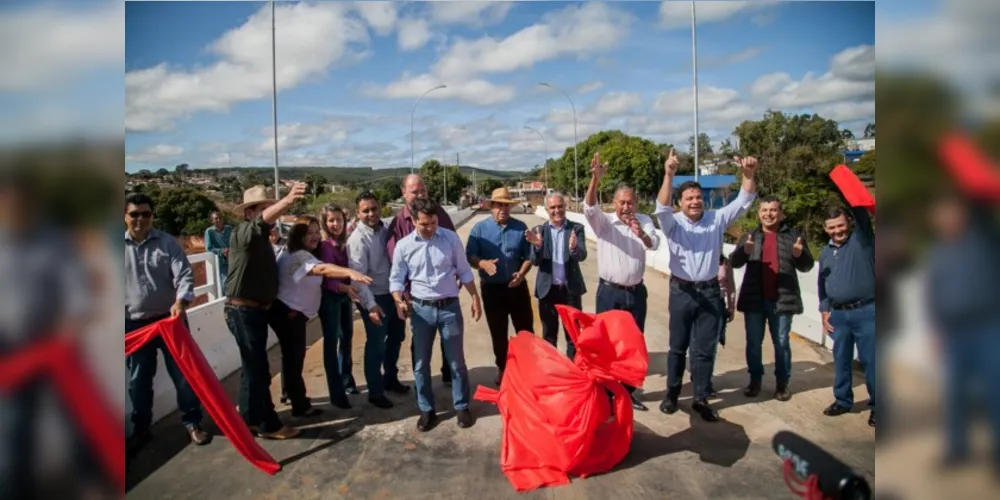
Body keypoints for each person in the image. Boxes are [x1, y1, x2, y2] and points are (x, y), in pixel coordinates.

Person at [655, 149, 758, 422]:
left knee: (704, 349)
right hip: (681, 291)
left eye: (698, 197)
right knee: (678, 347)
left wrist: (748, 175)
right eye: (688, 198)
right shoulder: (672, 223)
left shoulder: (716, 219)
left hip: (710, 292)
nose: (695, 201)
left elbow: (745, 199)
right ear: (680, 203)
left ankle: (700, 397)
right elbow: (661, 207)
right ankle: (672, 394)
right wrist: (669, 173)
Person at [123, 193, 209, 448]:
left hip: (170, 321)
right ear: (124, 216)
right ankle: (141, 429)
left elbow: (183, 274)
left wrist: (181, 301)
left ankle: (192, 423)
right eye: (134, 214)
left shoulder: (167, 242)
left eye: (146, 214)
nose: (140, 219)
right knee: (139, 380)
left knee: (184, 375)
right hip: (135, 325)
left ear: (153, 216)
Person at [389, 198, 483, 432]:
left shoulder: (450, 238)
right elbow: (396, 279)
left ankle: (461, 406)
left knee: (456, 362)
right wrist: (398, 299)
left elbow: (463, 270)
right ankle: (426, 410)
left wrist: (474, 297)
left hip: (449, 308)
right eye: (424, 224)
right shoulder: (403, 246)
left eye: (433, 222)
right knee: (420, 364)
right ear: (412, 220)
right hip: (421, 311)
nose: (430, 228)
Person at [224, 184, 306, 440]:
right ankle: (268, 424)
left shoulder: (260, 239)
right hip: (243, 310)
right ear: (250, 213)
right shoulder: (244, 233)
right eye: (263, 208)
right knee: (259, 369)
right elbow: (263, 221)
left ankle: (248, 418)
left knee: (252, 368)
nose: (269, 213)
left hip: (254, 310)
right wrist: (289, 200)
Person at [926, 193, 1000, 468]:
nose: (946, 221)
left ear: (964, 217)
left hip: (988, 328)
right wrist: (936, 330)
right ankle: (957, 449)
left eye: (951, 215)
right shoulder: (938, 251)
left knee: (995, 391)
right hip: (954, 333)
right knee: (955, 393)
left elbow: (985, 210)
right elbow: (933, 292)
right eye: (940, 217)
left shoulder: (985, 242)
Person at [584, 152, 660, 412]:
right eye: (622, 203)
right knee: (607, 345)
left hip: (636, 294)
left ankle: (626, 392)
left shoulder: (646, 221)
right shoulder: (604, 223)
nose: (626, 207)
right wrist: (595, 180)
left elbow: (654, 244)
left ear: (637, 203)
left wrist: (641, 234)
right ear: (614, 203)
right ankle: (605, 392)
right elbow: (589, 208)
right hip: (609, 293)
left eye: (630, 203)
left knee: (631, 346)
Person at [274, 216, 372, 417]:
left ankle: (289, 393)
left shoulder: (299, 253)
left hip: (293, 312)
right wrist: (350, 273)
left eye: (316, 232)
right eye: (309, 233)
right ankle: (300, 406)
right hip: (290, 312)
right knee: (295, 359)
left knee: (291, 357)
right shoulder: (299, 256)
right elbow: (322, 269)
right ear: (298, 235)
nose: (315, 236)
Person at [730, 196, 814, 402]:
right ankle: (755, 380)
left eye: (773, 210)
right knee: (753, 343)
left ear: (781, 213)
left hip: (782, 301)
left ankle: (782, 384)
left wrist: (800, 254)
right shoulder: (749, 236)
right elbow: (734, 262)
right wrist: (744, 251)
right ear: (759, 214)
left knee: (782, 343)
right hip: (754, 301)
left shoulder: (794, 236)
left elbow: (807, 266)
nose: (769, 214)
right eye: (765, 210)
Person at [387, 174, 455, 386]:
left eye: (422, 191)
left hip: (444, 293)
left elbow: (453, 245)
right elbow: (395, 262)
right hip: (416, 297)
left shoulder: (439, 213)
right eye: (414, 192)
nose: (419, 195)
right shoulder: (398, 222)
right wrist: (403, 296)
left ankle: (449, 373)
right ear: (404, 193)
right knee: (420, 343)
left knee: (449, 338)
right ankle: (421, 384)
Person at [347, 192, 411, 410]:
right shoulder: (357, 239)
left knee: (396, 338)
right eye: (365, 210)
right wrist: (370, 306)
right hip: (374, 297)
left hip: (393, 294)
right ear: (358, 213)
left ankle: (390, 379)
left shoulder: (385, 229)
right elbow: (358, 278)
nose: (371, 214)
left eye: (374, 208)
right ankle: (375, 391)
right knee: (376, 345)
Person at [466, 187, 535, 385]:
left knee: (525, 330)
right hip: (492, 290)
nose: (502, 209)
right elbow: (469, 255)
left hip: (517, 288)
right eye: (498, 205)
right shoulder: (479, 230)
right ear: (491, 207)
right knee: (498, 332)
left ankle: (528, 368)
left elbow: (528, 256)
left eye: (506, 205)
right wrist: (481, 263)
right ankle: (503, 368)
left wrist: (522, 273)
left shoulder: (521, 228)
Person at [817, 201, 876, 428]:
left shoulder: (863, 242)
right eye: (832, 228)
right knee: (841, 360)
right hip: (839, 316)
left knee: (872, 362)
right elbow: (822, 285)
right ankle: (842, 400)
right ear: (825, 229)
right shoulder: (825, 253)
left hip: (867, 312)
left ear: (849, 223)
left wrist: (848, 189)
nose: (837, 231)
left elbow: (861, 213)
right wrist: (824, 310)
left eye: (840, 225)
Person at [526, 191, 588, 359]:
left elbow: (582, 255)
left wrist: (574, 248)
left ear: (565, 207)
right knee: (549, 336)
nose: (557, 210)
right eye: (552, 207)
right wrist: (538, 246)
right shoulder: (539, 231)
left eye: (560, 206)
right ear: (547, 209)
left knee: (574, 337)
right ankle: (553, 373)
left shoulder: (576, 228)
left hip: (570, 291)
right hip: (548, 291)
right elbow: (535, 261)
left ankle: (573, 373)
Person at [318, 204, 360, 399]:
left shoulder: (343, 242)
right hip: (332, 298)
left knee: (347, 340)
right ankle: (336, 390)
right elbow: (328, 278)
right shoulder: (326, 246)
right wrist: (347, 288)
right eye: (331, 220)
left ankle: (347, 380)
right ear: (325, 223)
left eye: (339, 220)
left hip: (344, 297)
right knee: (332, 342)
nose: (336, 224)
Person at [204, 211, 232, 287]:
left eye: (220, 218)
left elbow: (234, 242)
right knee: (224, 283)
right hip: (220, 261)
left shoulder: (229, 229)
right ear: (212, 221)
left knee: (235, 281)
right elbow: (209, 248)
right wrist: (221, 251)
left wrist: (230, 249)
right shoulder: (209, 231)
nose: (218, 220)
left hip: (232, 259)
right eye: (216, 218)